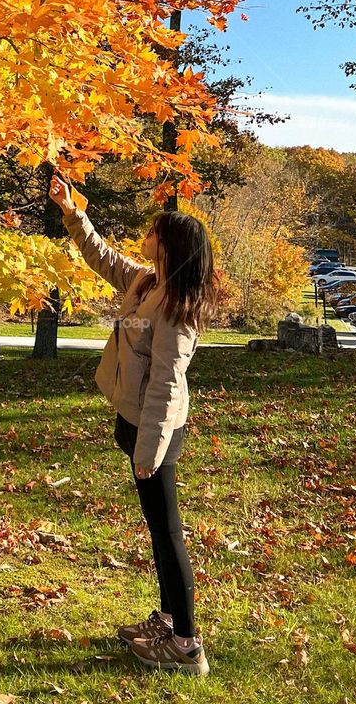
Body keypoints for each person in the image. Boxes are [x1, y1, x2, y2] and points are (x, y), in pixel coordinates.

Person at [50, 175, 216, 677]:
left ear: (168, 244)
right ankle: (167, 621)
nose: (145, 235)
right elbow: (103, 258)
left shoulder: (177, 310)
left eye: (153, 231)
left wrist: (149, 452)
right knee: (155, 528)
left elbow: (165, 387)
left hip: (156, 432)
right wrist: (73, 213)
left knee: (168, 533)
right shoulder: (148, 281)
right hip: (132, 421)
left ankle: (187, 646)